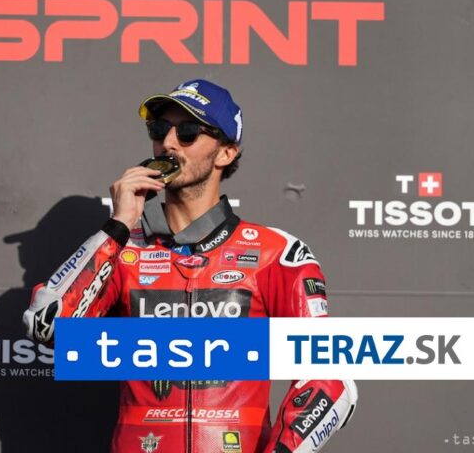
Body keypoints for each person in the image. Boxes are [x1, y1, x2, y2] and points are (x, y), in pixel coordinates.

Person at [23, 79, 357, 453]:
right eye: (158, 129)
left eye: (187, 132)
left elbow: (331, 380)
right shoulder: (121, 249)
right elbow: (47, 326)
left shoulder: (275, 253)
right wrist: (119, 225)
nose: (168, 142)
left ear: (226, 152)